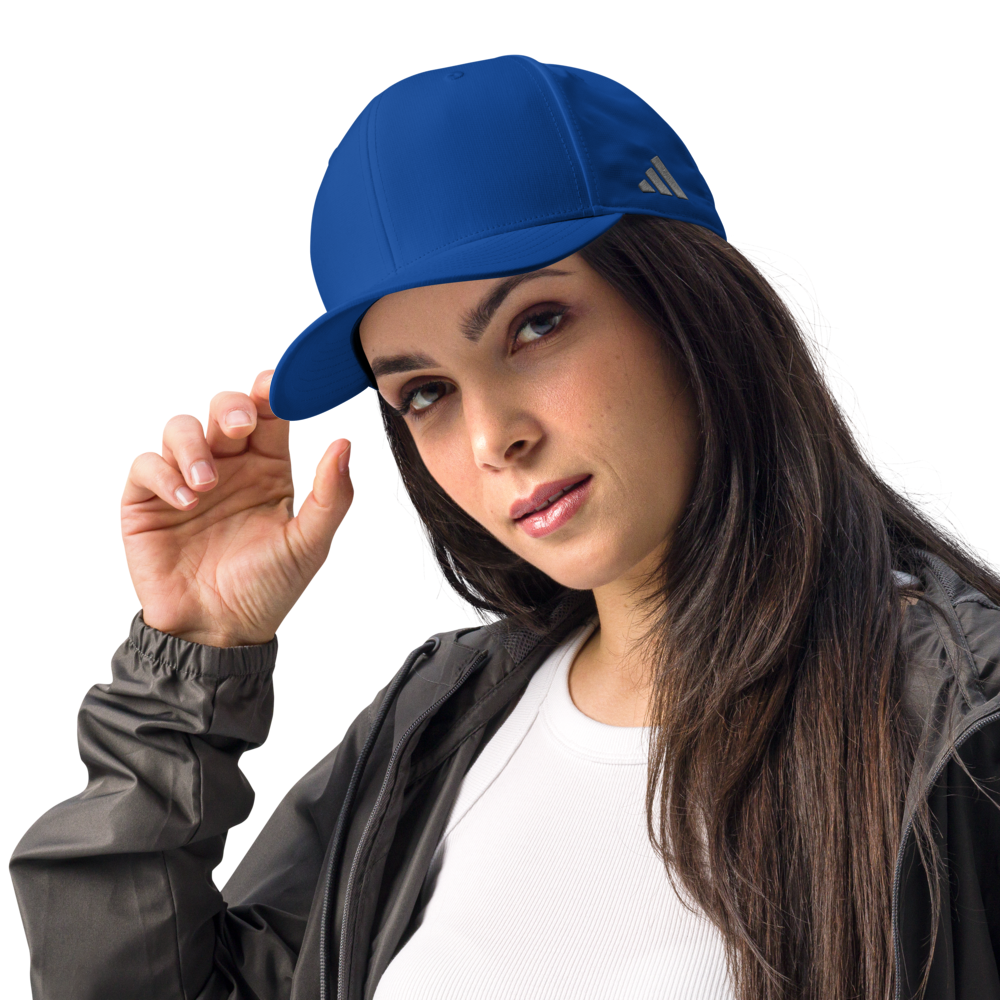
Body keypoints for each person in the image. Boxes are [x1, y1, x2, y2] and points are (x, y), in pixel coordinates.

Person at [10, 55, 999, 1000]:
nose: (492, 437)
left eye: (534, 325)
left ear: (689, 305)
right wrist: (191, 662)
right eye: (426, 391)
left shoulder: (958, 728)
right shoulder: (435, 726)